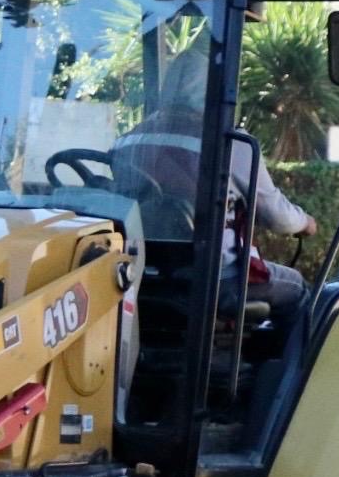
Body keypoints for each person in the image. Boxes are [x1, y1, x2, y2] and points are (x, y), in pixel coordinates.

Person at [110, 34, 313, 323]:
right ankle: (271, 366)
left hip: (137, 272)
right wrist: (305, 222)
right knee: (300, 291)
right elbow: (279, 217)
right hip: (217, 280)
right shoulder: (232, 144)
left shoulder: (126, 142)